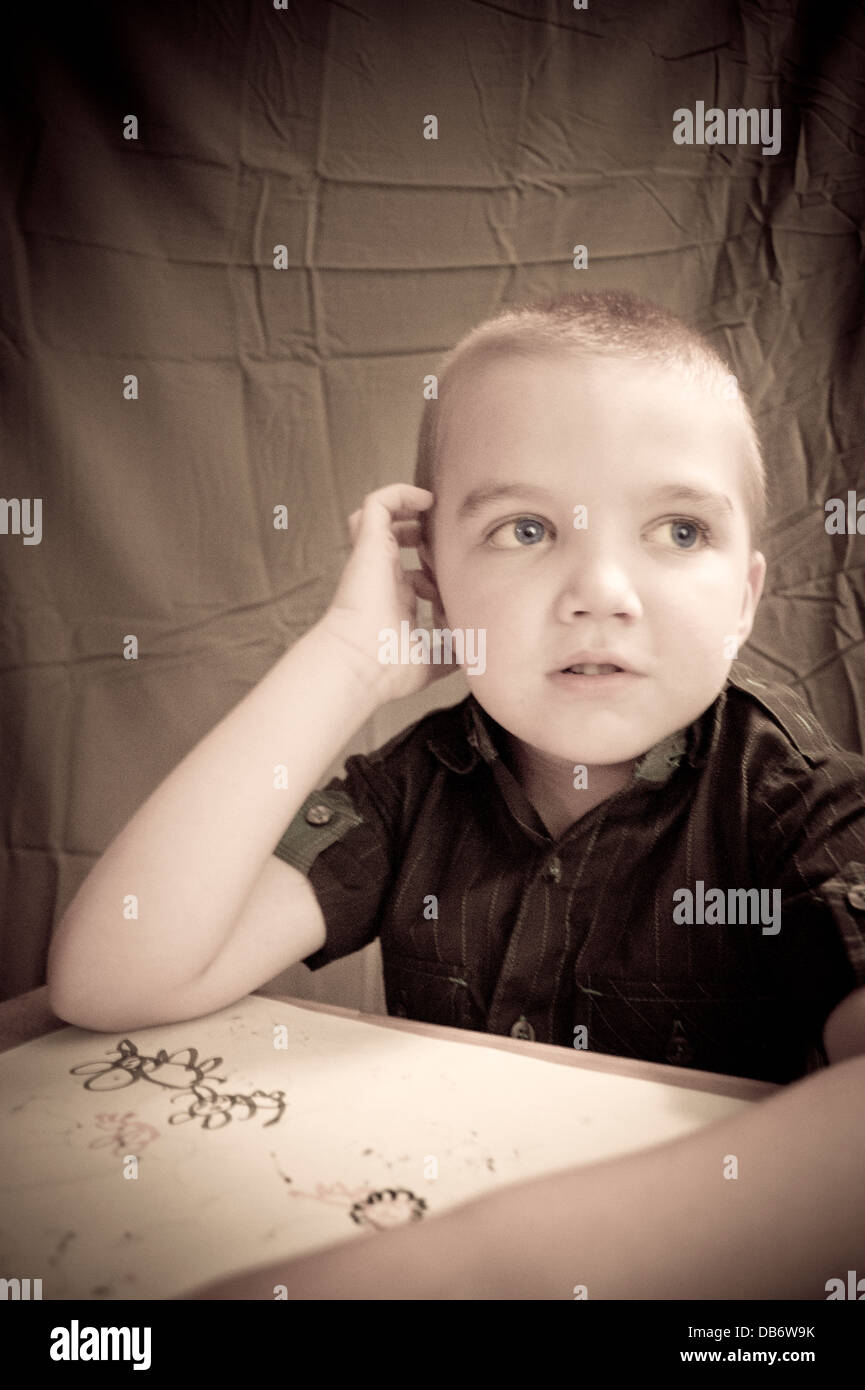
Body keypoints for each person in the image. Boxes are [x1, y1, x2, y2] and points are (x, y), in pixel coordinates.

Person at [47, 290, 865, 1298]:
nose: (600, 587)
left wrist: (492, 1268)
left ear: (743, 599)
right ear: (431, 579)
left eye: (678, 529)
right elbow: (114, 976)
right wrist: (346, 658)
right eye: (525, 529)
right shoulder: (412, 790)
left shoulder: (802, 811)